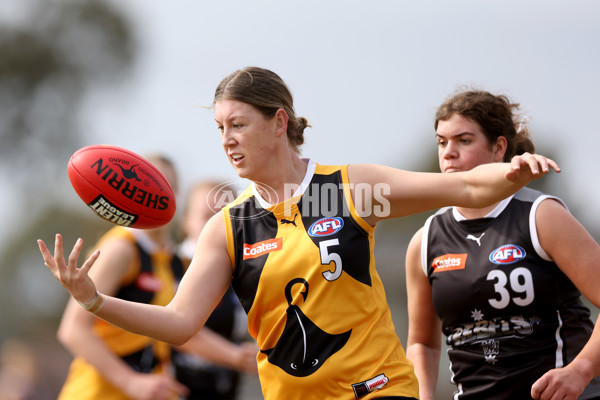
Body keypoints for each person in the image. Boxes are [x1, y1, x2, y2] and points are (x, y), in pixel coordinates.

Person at [38, 67, 559, 400]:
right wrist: (94, 301)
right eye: (219, 129)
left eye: (237, 125)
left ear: (278, 121)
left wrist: (511, 172)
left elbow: (465, 188)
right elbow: (179, 323)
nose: (226, 140)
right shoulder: (230, 225)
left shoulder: (350, 188)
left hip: (374, 389)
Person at [404, 90, 600, 400]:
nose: (448, 153)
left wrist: (581, 370)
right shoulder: (426, 240)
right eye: (442, 142)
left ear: (499, 148)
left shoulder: (541, 216)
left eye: (463, 141)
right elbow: (422, 343)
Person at [53, 155, 189, 400]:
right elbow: (73, 330)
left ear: (176, 193)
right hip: (97, 393)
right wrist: (132, 382)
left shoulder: (170, 257)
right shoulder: (121, 249)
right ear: (130, 192)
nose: (154, 194)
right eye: (145, 186)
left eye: (165, 185)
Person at [172, 181, 259, 400]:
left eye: (225, 217)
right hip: (174, 387)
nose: (215, 225)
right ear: (186, 221)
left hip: (226, 388)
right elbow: (174, 330)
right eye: (205, 216)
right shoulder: (170, 266)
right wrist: (235, 356)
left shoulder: (244, 270)